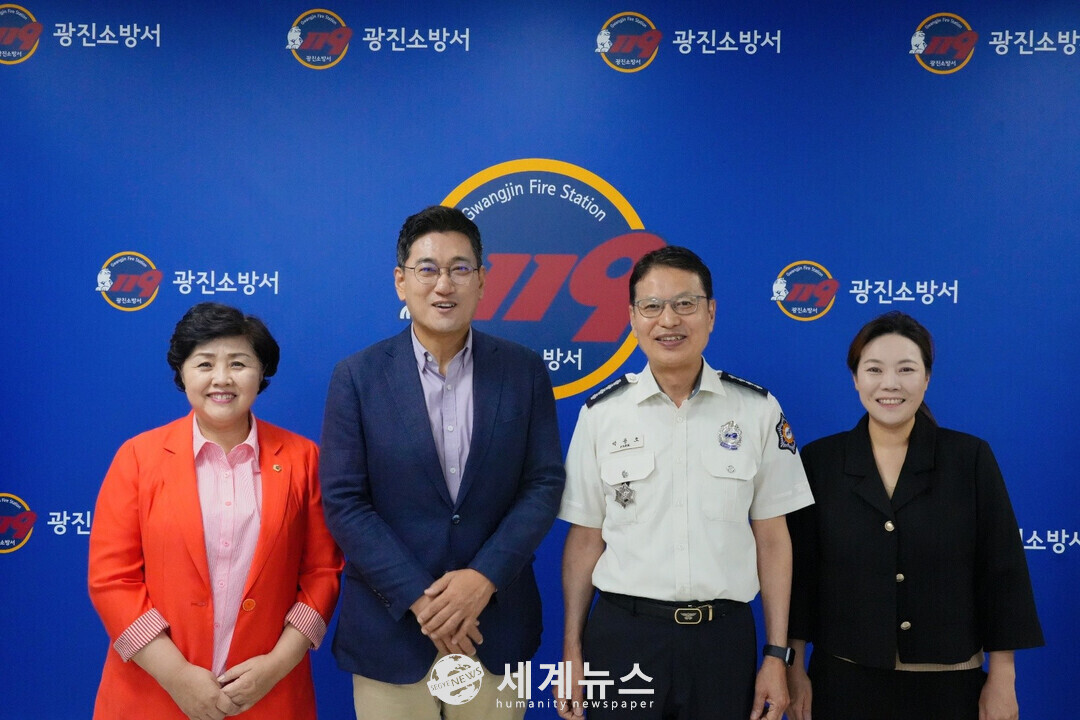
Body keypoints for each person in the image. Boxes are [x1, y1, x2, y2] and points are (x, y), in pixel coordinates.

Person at [320, 205, 565, 719]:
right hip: (392, 629)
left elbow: (543, 484)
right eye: (427, 269)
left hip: (494, 624)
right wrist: (422, 600)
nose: (444, 285)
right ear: (401, 282)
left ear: (482, 281)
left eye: (460, 268)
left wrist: (483, 579)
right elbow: (344, 501)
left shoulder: (523, 371)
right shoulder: (358, 377)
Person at [557, 245, 814, 720]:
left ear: (711, 312)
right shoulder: (601, 414)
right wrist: (572, 649)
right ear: (633, 317)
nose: (669, 320)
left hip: (722, 642)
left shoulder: (756, 410)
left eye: (685, 304)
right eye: (652, 306)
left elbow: (774, 540)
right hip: (624, 638)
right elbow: (586, 539)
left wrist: (776, 656)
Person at [88, 302, 343, 720]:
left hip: (269, 693)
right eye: (204, 363)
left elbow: (322, 572)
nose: (222, 378)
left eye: (238, 363)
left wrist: (277, 664)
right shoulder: (138, 457)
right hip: (153, 692)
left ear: (261, 372)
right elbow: (112, 579)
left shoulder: (303, 459)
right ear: (182, 372)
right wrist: (177, 676)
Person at [785, 311, 1044, 720]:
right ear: (855, 379)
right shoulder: (821, 461)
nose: (890, 383)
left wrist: (1003, 678)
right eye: (874, 369)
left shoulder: (969, 458)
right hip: (843, 682)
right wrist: (794, 668)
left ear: (927, 378)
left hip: (950, 687)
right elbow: (801, 577)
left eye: (906, 369)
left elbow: (1001, 572)